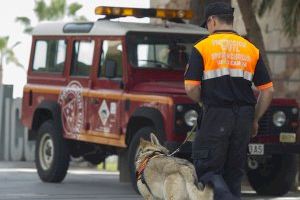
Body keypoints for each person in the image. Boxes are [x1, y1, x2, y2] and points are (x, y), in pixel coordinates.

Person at [184, 2, 274, 200]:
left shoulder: (203, 47)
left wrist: (203, 102)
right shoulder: (251, 49)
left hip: (216, 115)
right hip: (244, 117)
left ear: (212, 21)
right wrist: (255, 119)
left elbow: (190, 87)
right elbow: (268, 91)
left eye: (207, 24)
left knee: (207, 171)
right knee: (234, 174)